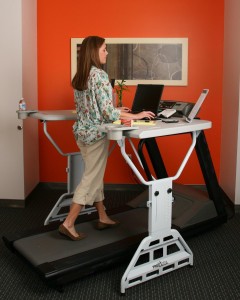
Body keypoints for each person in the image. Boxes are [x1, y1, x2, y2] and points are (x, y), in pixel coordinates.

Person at [59, 36, 155, 241]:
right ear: (95, 52)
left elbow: (93, 108)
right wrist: (136, 116)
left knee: (95, 174)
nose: (107, 53)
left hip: (82, 132)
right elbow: (107, 114)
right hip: (95, 134)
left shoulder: (81, 76)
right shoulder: (99, 75)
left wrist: (115, 109)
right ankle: (68, 223)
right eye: (104, 49)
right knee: (91, 178)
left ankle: (103, 217)